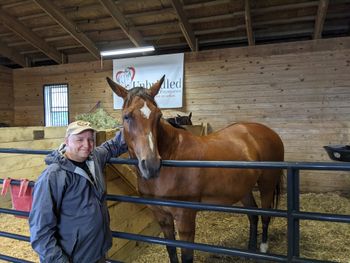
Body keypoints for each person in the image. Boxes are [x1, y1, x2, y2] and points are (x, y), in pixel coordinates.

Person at [29, 120, 128, 263]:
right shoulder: (53, 176)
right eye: (79, 140)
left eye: (90, 140)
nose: (87, 145)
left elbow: (113, 146)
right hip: (74, 258)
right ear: (66, 141)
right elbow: (40, 232)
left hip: (98, 251)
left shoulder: (94, 159)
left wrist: (138, 123)